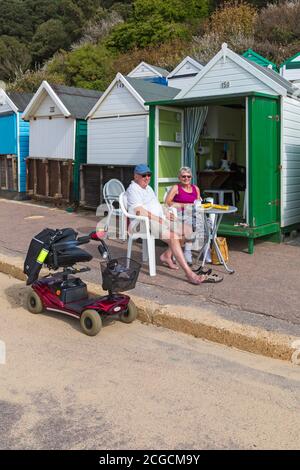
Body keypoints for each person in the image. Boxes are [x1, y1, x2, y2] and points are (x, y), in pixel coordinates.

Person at [125, 164, 222, 285]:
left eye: (149, 175)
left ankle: (167, 255)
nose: (147, 177)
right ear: (136, 176)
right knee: (173, 237)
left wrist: (166, 213)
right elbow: (139, 211)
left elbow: (158, 206)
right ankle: (189, 273)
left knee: (188, 231)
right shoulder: (133, 189)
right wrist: (158, 218)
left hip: (159, 218)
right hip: (143, 222)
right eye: (143, 175)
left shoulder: (148, 188)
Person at [165, 166, 200, 266]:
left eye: (188, 177)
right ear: (179, 177)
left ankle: (206, 251)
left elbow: (198, 202)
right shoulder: (176, 188)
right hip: (180, 213)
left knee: (207, 224)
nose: (186, 179)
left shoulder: (195, 188)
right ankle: (187, 252)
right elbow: (167, 202)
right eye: (183, 176)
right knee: (190, 223)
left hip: (194, 213)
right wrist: (183, 205)